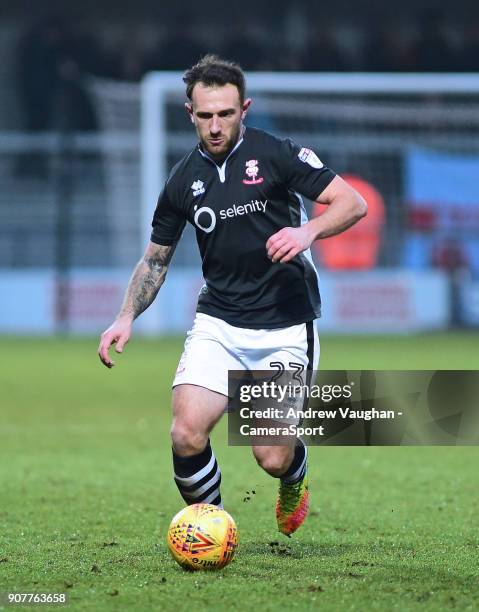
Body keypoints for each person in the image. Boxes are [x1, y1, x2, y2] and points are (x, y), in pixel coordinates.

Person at [98, 55, 367, 536]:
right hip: (218, 322)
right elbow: (156, 258)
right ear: (190, 114)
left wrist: (309, 233)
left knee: (270, 455)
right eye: (205, 116)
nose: (216, 125)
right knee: (185, 433)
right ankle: (212, 527)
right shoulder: (182, 180)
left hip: (285, 324)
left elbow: (353, 202)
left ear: (245, 108)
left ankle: (295, 471)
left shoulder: (278, 154)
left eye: (225, 114)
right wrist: (125, 316)